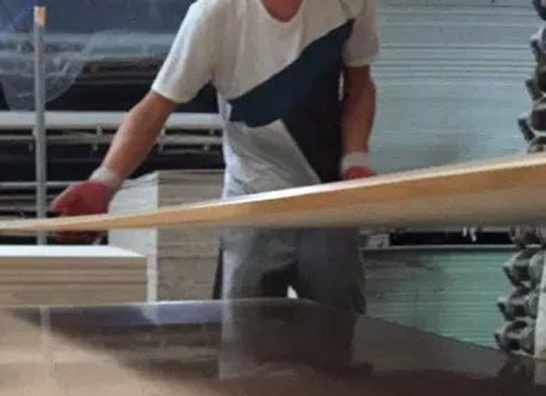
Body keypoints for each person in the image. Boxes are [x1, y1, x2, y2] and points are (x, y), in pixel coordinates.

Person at [50, 0, 379, 313]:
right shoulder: (215, 14)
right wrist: (103, 183)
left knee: (340, 337)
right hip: (253, 200)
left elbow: (359, 86)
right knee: (242, 343)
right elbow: (156, 106)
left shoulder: (347, 4)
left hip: (328, 200)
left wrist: (355, 161)